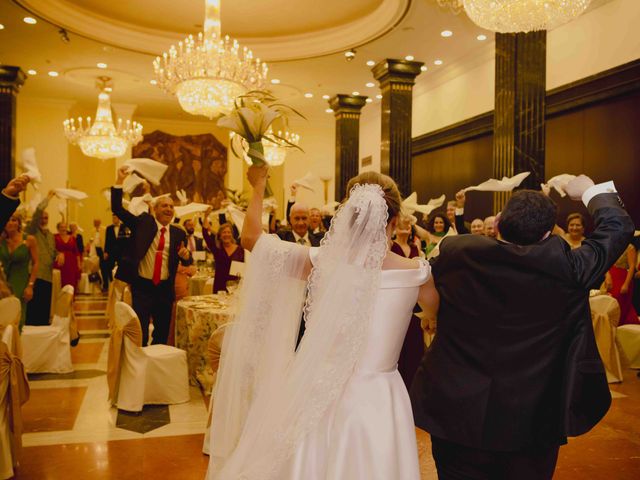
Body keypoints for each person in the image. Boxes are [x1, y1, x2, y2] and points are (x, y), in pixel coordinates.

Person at [208, 166, 439, 480]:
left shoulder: (322, 262)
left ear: (349, 217)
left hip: (320, 392)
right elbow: (433, 312)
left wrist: (259, 185)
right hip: (381, 395)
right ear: (396, 219)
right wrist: (427, 318)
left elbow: (250, 239)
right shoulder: (417, 273)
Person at [410, 175, 634, 480]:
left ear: (498, 222)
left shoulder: (456, 254)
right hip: (532, 419)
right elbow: (618, 228)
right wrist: (589, 191)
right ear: (547, 233)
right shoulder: (570, 269)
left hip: (456, 412)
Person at [111, 166, 192, 346]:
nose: (169, 209)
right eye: (164, 205)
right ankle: (140, 369)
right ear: (154, 209)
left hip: (164, 290)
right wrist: (119, 181)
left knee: (161, 335)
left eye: (171, 206)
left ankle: (156, 369)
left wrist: (186, 256)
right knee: (140, 335)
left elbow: (187, 259)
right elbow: (117, 208)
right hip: (143, 288)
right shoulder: (143, 223)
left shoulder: (178, 233)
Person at [391, 213, 425, 389]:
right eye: (402, 224)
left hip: (413, 304)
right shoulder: (390, 247)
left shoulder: (415, 247)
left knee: (413, 348)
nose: (405, 228)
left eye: (408, 225)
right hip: (394, 302)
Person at [25, 191, 58, 326]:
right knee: (33, 310)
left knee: (44, 309)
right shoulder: (32, 230)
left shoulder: (50, 235)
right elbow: (38, 211)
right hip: (35, 275)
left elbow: (53, 252)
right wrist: (48, 198)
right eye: (42, 218)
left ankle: (42, 334)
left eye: (46, 218)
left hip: (48, 275)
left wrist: (59, 255)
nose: (43, 220)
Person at [0, 212, 38, 329]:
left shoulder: (30, 240)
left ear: (19, 223)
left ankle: (16, 346)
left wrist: (30, 285)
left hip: (21, 282)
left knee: (17, 321)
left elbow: (36, 263)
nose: (11, 223)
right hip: (2, 283)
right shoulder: (1, 241)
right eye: (8, 220)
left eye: (14, 220)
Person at [202, 214, 244, 293]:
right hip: (220, 288)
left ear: (232, 235)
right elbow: (205, 234)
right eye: (224, 232)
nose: (227, 234)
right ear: (220, 236)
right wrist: (206, 216)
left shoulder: (240, 249)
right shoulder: (217, 250)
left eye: (229, 232)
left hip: (235, 288)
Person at [605, 244, 639, 325]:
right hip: (611, 275)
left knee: (619, 302)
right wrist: (607, 276)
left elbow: (631, 267)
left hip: (622, 278)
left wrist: (626, 284)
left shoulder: (630, 247)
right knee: (608, 301)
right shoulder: (613, 244)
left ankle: (618, 323)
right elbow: (606, 263)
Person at [54, 221, 81, 289]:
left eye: (65, 227)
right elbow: (52, 249)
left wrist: (79, 263)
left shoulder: (72, 238)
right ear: (58, 228)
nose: (63, 229)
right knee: (61, 281)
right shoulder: (54, 237)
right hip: (60, 262)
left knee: (71, 281)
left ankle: (70, 298)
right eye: (61, 227)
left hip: (71, 263)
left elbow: (76, 252)